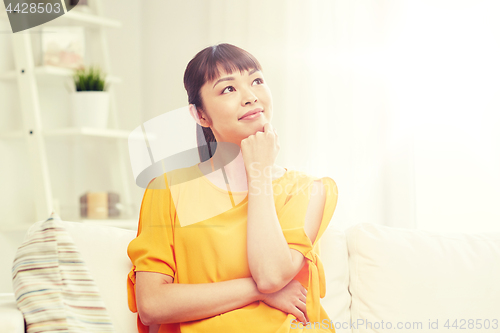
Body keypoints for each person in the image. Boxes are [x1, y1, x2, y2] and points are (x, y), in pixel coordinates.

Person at [126, 43, 339, 333]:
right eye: (228, 89)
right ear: (201, 115)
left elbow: (271, 275)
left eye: (257, 81)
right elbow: (152, 304)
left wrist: (259, 173)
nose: (250, 97)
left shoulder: (308, 190)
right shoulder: (168, 189)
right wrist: (257, 292)